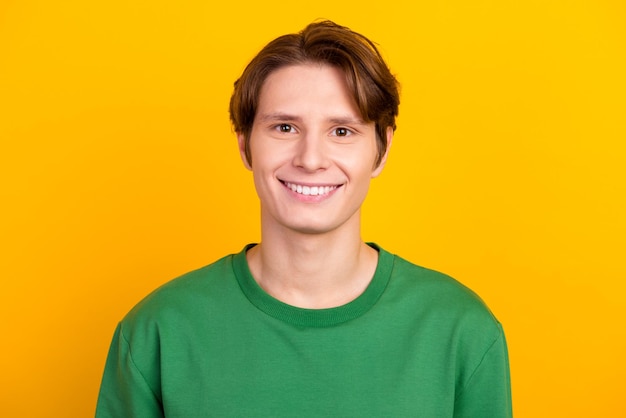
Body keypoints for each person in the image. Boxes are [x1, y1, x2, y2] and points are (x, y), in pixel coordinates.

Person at [96, 20, 512, 417]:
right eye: (284, 127)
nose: (311, 159)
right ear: (244, 146)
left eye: (342, 131)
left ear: (382, 150)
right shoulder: (157, 333)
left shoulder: (462, 330)